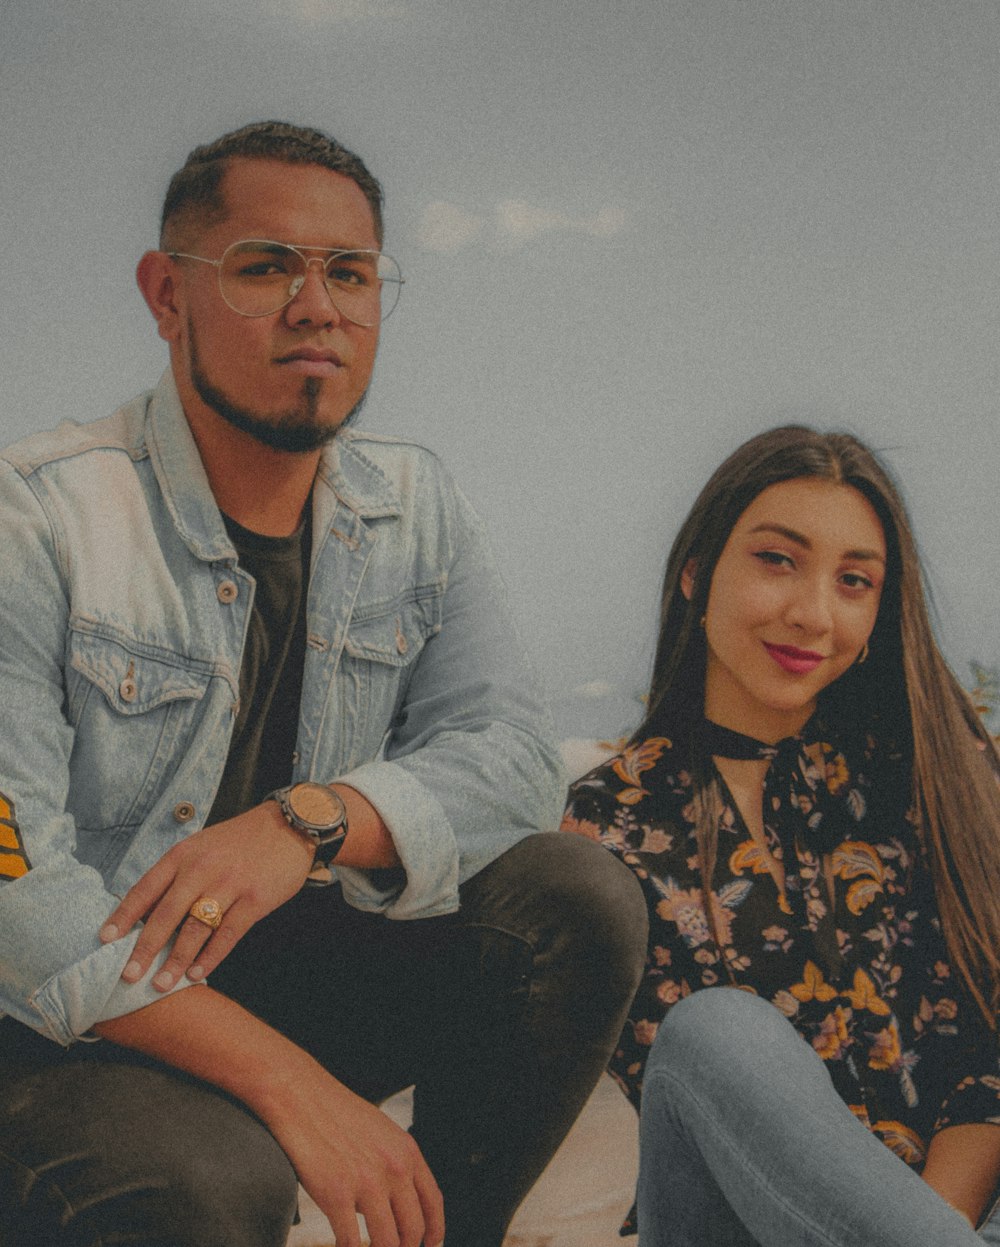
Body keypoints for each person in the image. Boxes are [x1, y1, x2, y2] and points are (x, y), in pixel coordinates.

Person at [0, 120, 648, 1247]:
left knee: (576, 897)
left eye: (350, 273)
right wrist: (294, 1086)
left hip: (292, 961)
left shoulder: (413, 505)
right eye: (265, 267)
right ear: (167, 294)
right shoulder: (39, 517)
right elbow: (11, 888)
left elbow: (509, 755)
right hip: (63, 1025)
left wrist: (305, 822)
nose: (319, 307)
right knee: (212, 1179)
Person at [560, 426, 1000, 1245]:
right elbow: (690, 1095)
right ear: (697, 573)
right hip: (735, 1224)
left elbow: (985, 1061)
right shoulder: (612, 818)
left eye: (855, 580)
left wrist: (926, 1229)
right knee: (712, 1033)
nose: (812, 613)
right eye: (777, 559)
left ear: (879, 613)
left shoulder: (931, 779)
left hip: (961, 1219)